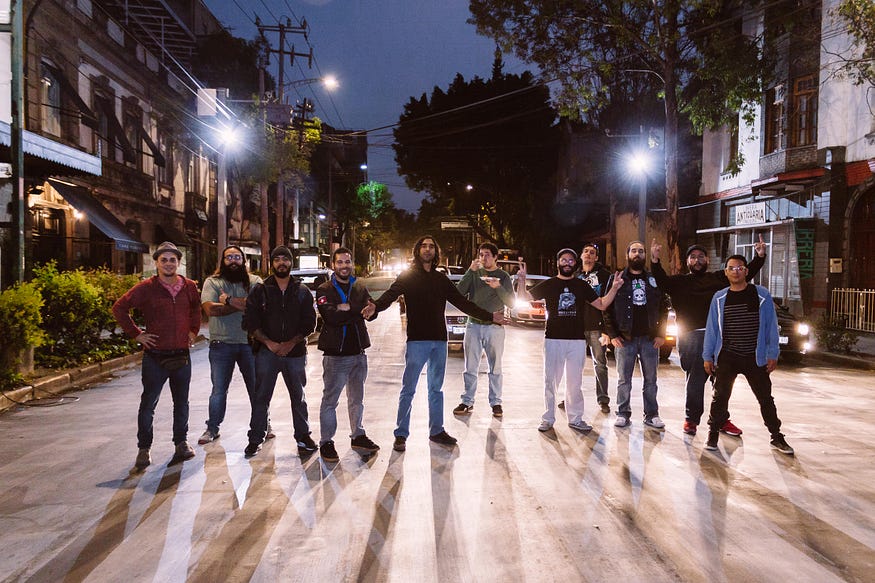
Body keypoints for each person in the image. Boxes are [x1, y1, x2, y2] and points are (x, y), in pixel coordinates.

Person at [372, 236, 504, 452]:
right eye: (423, 246)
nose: (427, 249)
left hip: (439, 341)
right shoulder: (407, 277)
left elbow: (462, 302)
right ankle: (401, 434)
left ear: (435, 251)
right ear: (417, 250)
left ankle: (436, 431)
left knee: (436, 389)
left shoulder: (441, 279)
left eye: (431, 246)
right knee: (409, 389)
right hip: (417, 341)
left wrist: (490, 316)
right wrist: (375, 308)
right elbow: (390, 295)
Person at [651, 236, 766, 436]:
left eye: (701, 257)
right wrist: (654, 260)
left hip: (720, 337)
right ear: (687, 262)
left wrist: (760, 256)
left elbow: (742, 274)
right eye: (693, 257)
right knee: (695, 379)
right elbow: (661, 280)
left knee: (722, 380)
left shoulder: (718, 278)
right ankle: (691, 420)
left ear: (707, 260)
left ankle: (721, 419)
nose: (697, 260)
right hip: (692, 337)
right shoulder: (679, 282)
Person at [112, 241, 202, 470]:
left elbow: (195, 309)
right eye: (164, 260)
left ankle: (181, 443)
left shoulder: (189, 286)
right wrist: (137, 334)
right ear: (157, 263)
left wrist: (193, 331)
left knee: (181, 402)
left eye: (172, 260)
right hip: (155, 357)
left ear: (178, 263)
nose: (168, 264)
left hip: (181, 355)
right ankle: (144, 448)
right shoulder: (146, 288)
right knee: (148, 403)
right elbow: (119, 308)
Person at [517, 248, 623, 433]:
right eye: (563, 260)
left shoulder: (581, 285)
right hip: (553, 339)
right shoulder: (550, 284)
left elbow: (602, 304)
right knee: (551, 381)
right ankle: (548, 419)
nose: (567, 263)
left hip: (576, 341)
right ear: (558, 263)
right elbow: (524, 297)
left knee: (575, 383)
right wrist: (521, 280)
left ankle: (575, 419)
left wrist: (614, 288)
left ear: (575, 264)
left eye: (571, 260)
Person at [702, 255, 794, 455]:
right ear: (726, 272)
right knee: (720, 397)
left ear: (746, 271)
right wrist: (707, 356)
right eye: (731, 268)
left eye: (739, 268)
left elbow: (771, 327)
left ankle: (776, 436)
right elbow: (712, 329)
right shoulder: (719, 298)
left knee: (765, 398)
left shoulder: (761, 295)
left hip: (755, 357)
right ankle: (713, 433)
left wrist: (772, 353)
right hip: (727, 356)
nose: (735, 272)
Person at [243, 246, 318, 458]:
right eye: (277, 259)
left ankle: (303, 436)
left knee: (298, 397)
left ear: (291, 263)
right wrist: (269, 343)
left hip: (295, 353)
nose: (281, 263)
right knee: (261, 397)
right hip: (266, 353)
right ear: (272, 263)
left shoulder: (302, 291)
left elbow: (310, 323)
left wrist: (291, 343)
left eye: (285, 259)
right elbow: (249, 321)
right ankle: (255, 438)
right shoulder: (260, 291)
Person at [314, 247, 380, 462]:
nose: (344, 266)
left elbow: (371, 312)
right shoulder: (324, 289)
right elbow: (331, 317)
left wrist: (349, 308)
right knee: (330, 401)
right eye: (340, 262)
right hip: (335, 355)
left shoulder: (359, 286)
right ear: (333, 265)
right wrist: (356, 310)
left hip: (358, 352)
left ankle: (358, 435)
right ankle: (326, 442)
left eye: (347, 262)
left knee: (357, 400)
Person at [198, 246, 264, 445]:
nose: (233, 260)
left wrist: (227, 300)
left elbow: (260, 306)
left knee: (257, 389)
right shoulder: (213, 282)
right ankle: (212, 428)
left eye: (237, 257)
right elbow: (211, 310)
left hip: (250, 343)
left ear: (244, 260)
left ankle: (264, 424)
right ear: (223, 261)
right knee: (219, 390)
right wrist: (244, 304)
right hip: (221, 344)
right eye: (229, 257)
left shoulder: (255, 281)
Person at [603, 241, 669, 430]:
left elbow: (664, 308)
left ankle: (652, 414)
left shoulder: (652, 279)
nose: (637, 254)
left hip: (649, 338)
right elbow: (606, 308)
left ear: (645, 255)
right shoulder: (617, 278)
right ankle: (623, 413)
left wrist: (661, 334)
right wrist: (613, 334)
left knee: (651, 380)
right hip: (625, 338)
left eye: (641, 251)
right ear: (627, 255)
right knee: (624, 379)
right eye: (633, 251)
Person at [452, 242, 516, 419]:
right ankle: (467, 401)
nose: (483, 258)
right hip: (473, 325)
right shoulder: (475, 273)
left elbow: (511, 302)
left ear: (495, 257)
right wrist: (470, 271)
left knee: (495, 366)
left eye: (487, 254)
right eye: (481, 254)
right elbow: (458, 293)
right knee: (470, 366)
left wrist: (498, 287)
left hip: (495, 328)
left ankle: (496, 402)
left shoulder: (503, 276)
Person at [576, 242, 612, 414]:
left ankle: (603, 398)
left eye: (592, 252)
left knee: (600, 364)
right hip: (578, 328)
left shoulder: (605, 276)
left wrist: (607, 329)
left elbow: (609, 302)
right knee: (575, 364)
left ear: (596, 257)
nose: (588, 254)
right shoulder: (575, 275)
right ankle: (570, 397)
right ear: (581, 256)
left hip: (598, 327)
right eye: (586, 251)